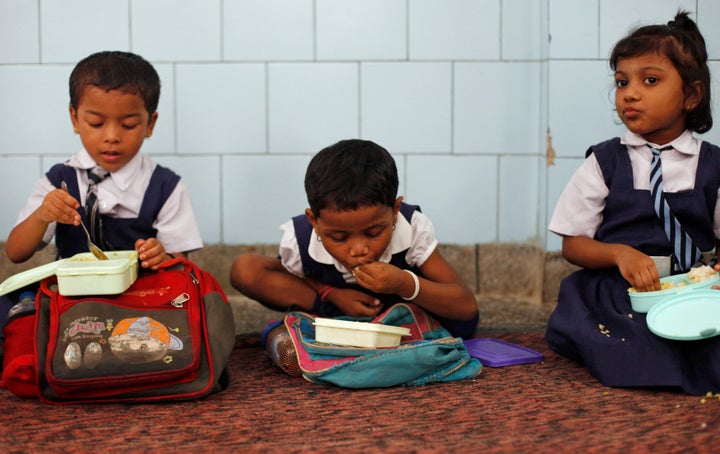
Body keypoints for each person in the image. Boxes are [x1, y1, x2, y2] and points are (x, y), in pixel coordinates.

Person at [545, 11, 720, 395]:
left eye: (650, 80)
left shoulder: (712, 166)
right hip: (620, 291)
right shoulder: (605, 161)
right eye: (622, 82)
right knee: (619, 337)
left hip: (690, 288)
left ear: (691, 95)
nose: (630, 93)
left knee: (707, 335)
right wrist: (619, 255)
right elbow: (572, 244)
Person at [0, 51, 203, 348]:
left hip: (138, 300)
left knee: (189, 313)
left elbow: (181, 265)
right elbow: (16, 252)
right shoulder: (60, 181)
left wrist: (162, 256)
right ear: (75, 118)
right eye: (96, 123)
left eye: (129, 125)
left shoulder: (165, 186)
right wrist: (43, 214)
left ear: (150, 124)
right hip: (71, 294)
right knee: (10, 307)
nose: (111, 136)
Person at [230, 139, 479, 371]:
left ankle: (306, 341)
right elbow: (276, 274)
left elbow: (466, 307)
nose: (358, 249)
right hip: (330, 314)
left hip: (401, 316)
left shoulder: (410, 229)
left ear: (394, 211)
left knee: (460, 326)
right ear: (314, 221)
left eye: (374, 232)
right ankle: (302, 336)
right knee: (245, 269)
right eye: (338, 237)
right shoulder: (302, 239)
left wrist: (405, 284)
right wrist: (332, 294)